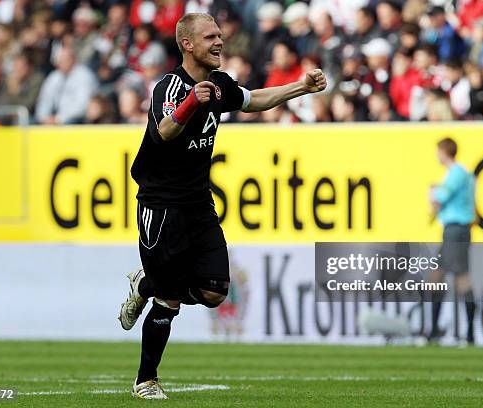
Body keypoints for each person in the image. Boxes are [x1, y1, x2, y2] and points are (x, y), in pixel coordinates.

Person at [117, 13, 326, 399]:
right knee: (171, 299)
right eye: (210, 36)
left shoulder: (219, 83)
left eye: (220, 35)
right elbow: (164, 130)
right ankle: (146, 379)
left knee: (215, 290)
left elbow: (254, 100)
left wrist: (301, 88)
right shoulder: (169, 86)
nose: (219, 41)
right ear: (188, 44)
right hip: (161, 204)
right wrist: (189, 105)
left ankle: (146, 283)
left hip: (198, 201)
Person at [428, 138, 476, 345]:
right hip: (452, 231)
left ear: (444, 152)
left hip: (456, 230)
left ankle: (470, 333)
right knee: (436, 278)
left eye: (438, 151)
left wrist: (432, 192)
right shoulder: (462, 173)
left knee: (462, 280)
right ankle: (434, 331)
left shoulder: (457, 173)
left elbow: (439, 197)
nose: (437, 155)